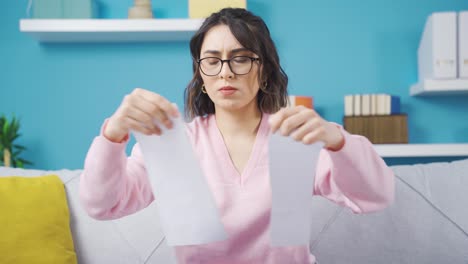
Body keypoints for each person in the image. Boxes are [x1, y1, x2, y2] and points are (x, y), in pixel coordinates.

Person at [79, 7, 394, 264]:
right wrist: (111, 136)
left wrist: (337, 141)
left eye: (241, 58)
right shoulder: (176, 145)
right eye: (213, 61)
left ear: (265, 71)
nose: (226, 72)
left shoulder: (294, 138)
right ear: (201, 74)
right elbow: (103, 205)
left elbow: (375, 196)